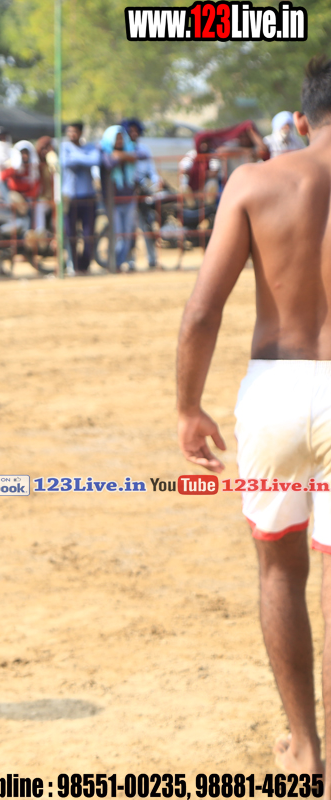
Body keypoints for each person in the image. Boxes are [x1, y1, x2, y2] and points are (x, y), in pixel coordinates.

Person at [177, 55, 331, 777]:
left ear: (300, 120)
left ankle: (304, 746)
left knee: (278, 571)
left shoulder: (253, 182)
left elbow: (202, 309)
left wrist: (187, 406)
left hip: (274, 390)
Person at [60, 122, 101, 274]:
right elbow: (65, 162)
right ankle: (73, 264)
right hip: (69, 197)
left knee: (89, 233)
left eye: (75, 131)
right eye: (69, 131)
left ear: (81, 133)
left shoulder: (90, 147)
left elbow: (95, 160)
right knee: (70, 233)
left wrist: (76, 157)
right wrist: (84, 158)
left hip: (88, 197)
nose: (72, 135)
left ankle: (85, 265)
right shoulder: (64, 147)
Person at [120, 118, 160, 270]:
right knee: (129, 229)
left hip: (143, 193)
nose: (134, 133)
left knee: (147, 226)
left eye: (136, 131)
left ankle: (152, 259)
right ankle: (130, 261)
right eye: (131, 131)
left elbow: (152, 171)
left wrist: (155, 183)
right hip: (127, 193)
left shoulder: (144, 149)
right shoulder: (122, 149)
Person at [99, 125, 140, 272]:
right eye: (116, 138)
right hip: (112, 202)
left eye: (121, 138)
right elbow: (110, 163)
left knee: (128, 234)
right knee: (118, 234)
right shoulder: (103, 152)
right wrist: (125, 157)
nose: (119, 141)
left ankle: (121, 263)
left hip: (129, 199)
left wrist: (120, 155)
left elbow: (139, 156)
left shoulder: (129, 149)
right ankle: (114, 264)